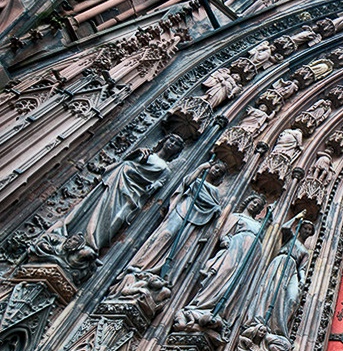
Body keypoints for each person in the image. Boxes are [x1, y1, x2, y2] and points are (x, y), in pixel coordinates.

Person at [53, 134, 184, 252]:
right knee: (99, 203)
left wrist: (152, 186)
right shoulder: (147, 154)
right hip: (117, 181)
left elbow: (157, 185)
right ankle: (75, 233)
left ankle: (94, 242)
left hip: (134, 193)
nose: (172, 144)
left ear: (177, 151)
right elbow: (126, 161)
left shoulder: (166, 170)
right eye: (171, 140)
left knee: (117, 217)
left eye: (176, 144)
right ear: (164, 140)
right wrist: (137, 153)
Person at [131, 161, 226, 275]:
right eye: (216, 168)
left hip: (196, 218)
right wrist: (200, 167)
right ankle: (141, 264)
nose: (216, 172)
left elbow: (214, 206)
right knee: (166, 233)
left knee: (179, 244)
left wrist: (216, 210)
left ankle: (158, 271)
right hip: (183, 208)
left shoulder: (215, 191)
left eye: (220, 172)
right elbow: (186, 182)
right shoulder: (196, 180)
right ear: (211, 166)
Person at [181, 194, 266, 318]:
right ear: (248, 201)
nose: (255, 206)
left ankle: (224, 312)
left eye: (258, 206)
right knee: (226, 270)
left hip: (252, 254)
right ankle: (204, 304)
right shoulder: (236, 216)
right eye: (254, 202)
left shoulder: (258, 224)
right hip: (237, 246)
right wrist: (225, 240)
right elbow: (224, 234)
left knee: (240, 281)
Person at [252, 212, 315, 338]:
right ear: (300, 228)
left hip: (292, 268)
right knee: (272, 289)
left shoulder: (305, 252)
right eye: (305, 228)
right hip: (281, 262)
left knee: (292, 297)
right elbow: (284, 228)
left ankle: (279, 328)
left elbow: (302, 268)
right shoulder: (290, 238)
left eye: (309, 230)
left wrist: (302, 279)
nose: (307, 231)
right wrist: (296, 217)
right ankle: (263, 321)